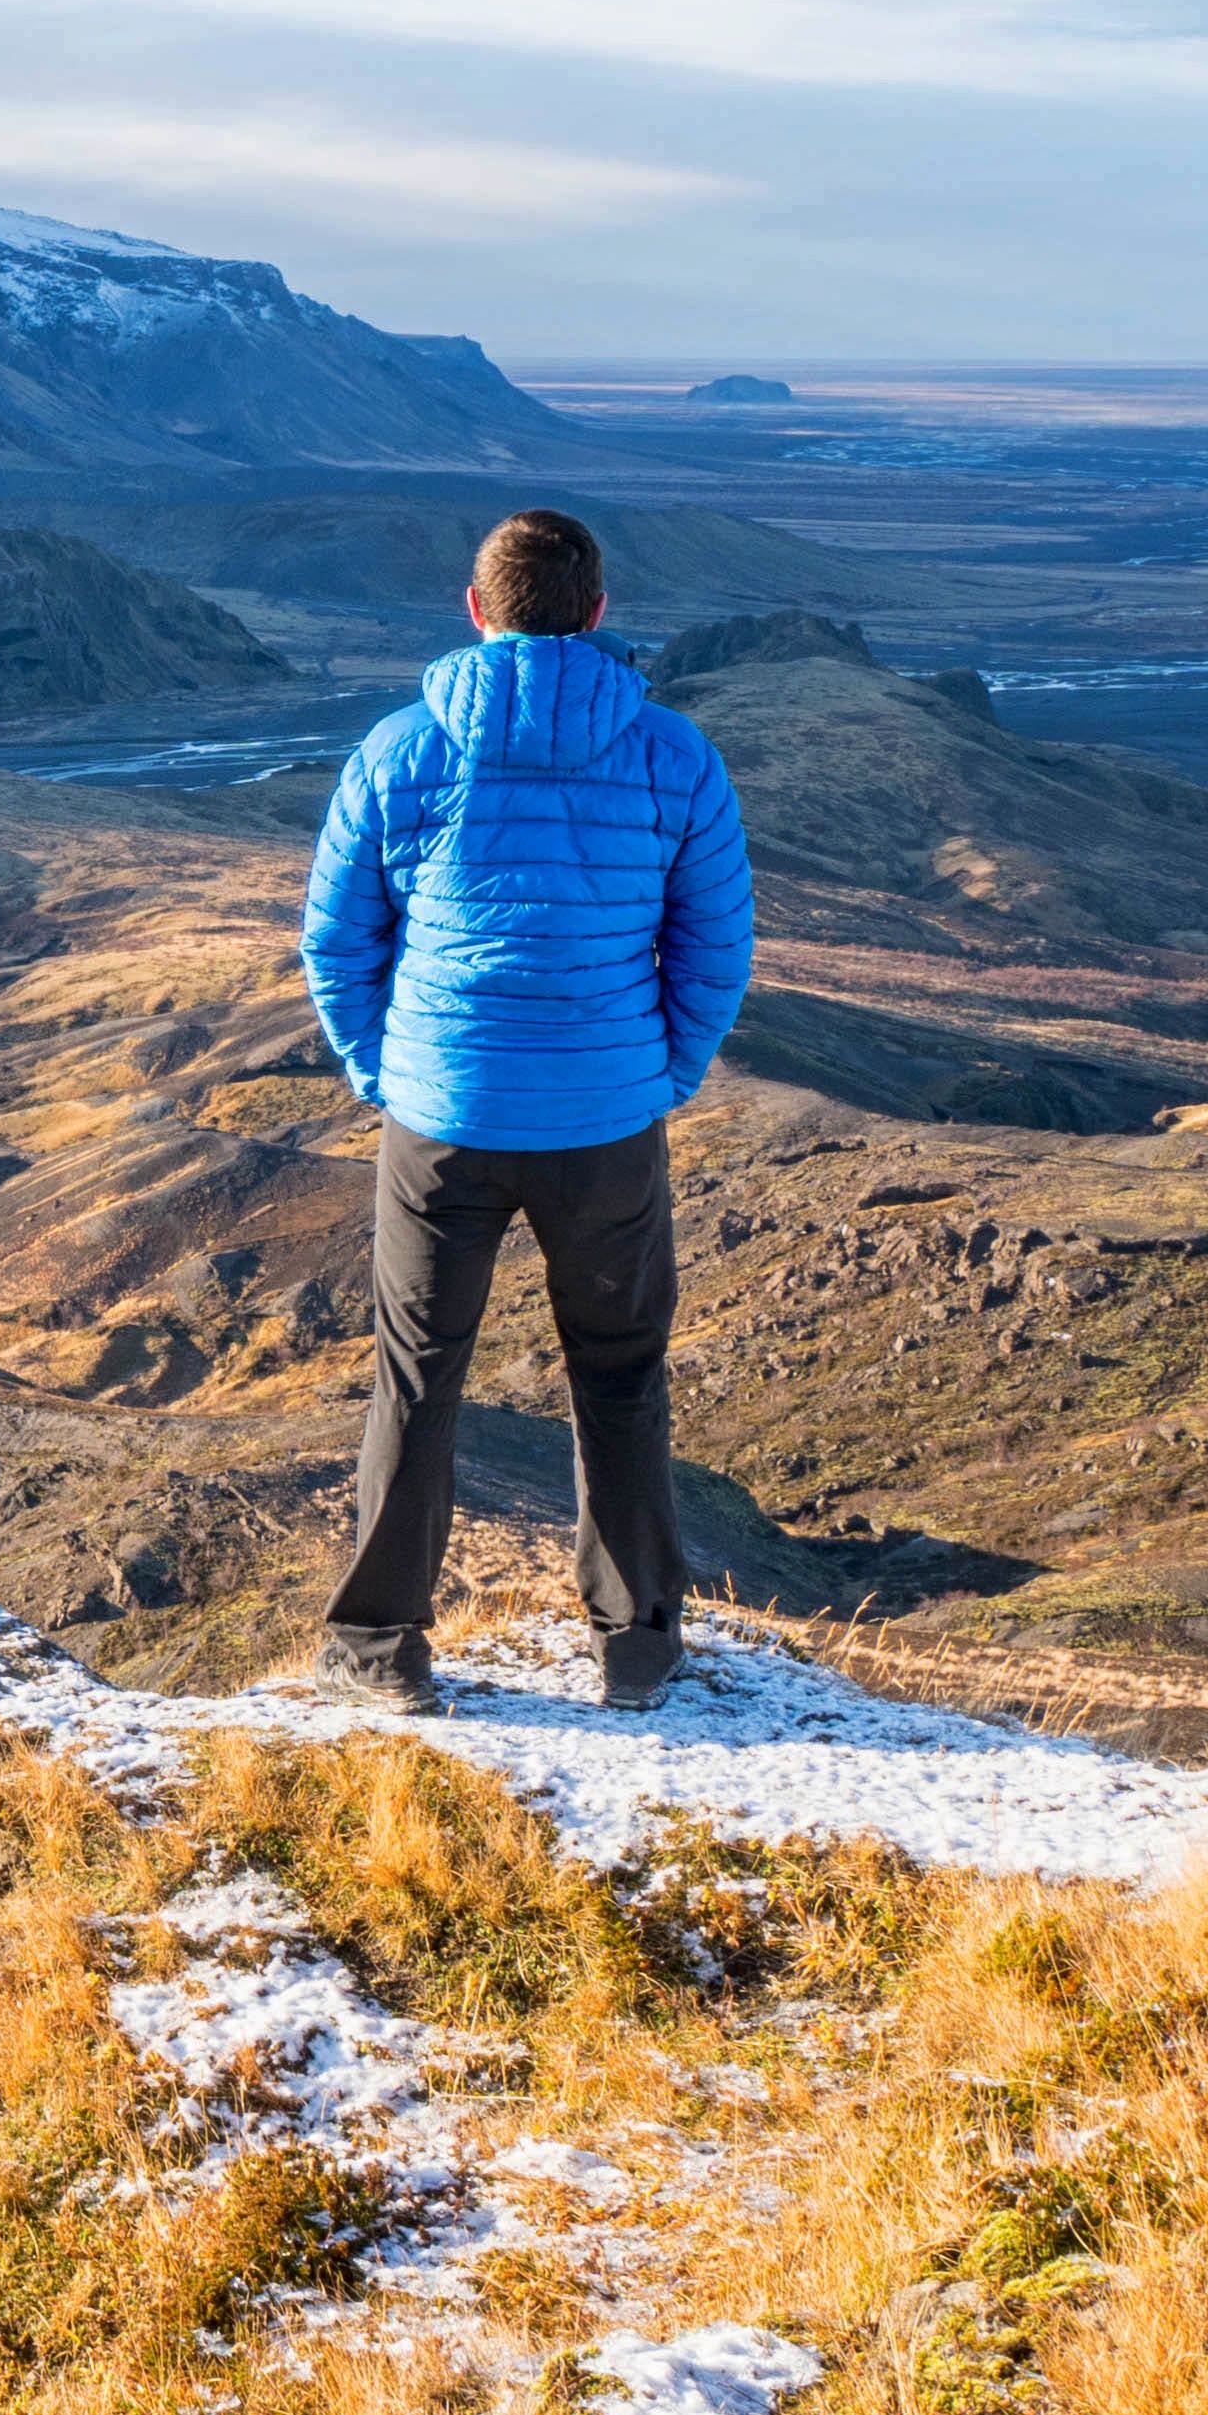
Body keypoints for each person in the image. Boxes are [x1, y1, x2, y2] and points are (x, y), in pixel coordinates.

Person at [297, 507, 754, 1712]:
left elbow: (338, 940)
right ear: (597, 613)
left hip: (441, 1120)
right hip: (607, 1124)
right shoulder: (673, 756)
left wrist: (387, 1071)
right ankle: (637, 1644)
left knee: (416, 1375)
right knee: (619, 1372)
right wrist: (658, 1075)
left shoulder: (400, 750)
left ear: (476, 609)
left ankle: (379, 1648)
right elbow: (714, 950)